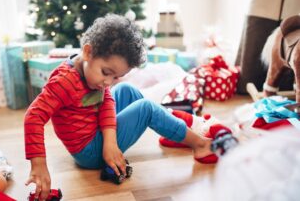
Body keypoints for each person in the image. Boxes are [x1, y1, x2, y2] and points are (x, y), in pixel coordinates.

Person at [24, 14, 214, 200]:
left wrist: (110, 142)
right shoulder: (65, 82)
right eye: (106, 72)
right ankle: (200, 144)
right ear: (88, 52)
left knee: (126, 90)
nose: (108, 82)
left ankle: (175, 130)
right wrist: (39, 163)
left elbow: (106, 101)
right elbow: (34, 116)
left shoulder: (92, 73)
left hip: (97, 133)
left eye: (114, 76)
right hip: (89, 151)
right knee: (145, 108)